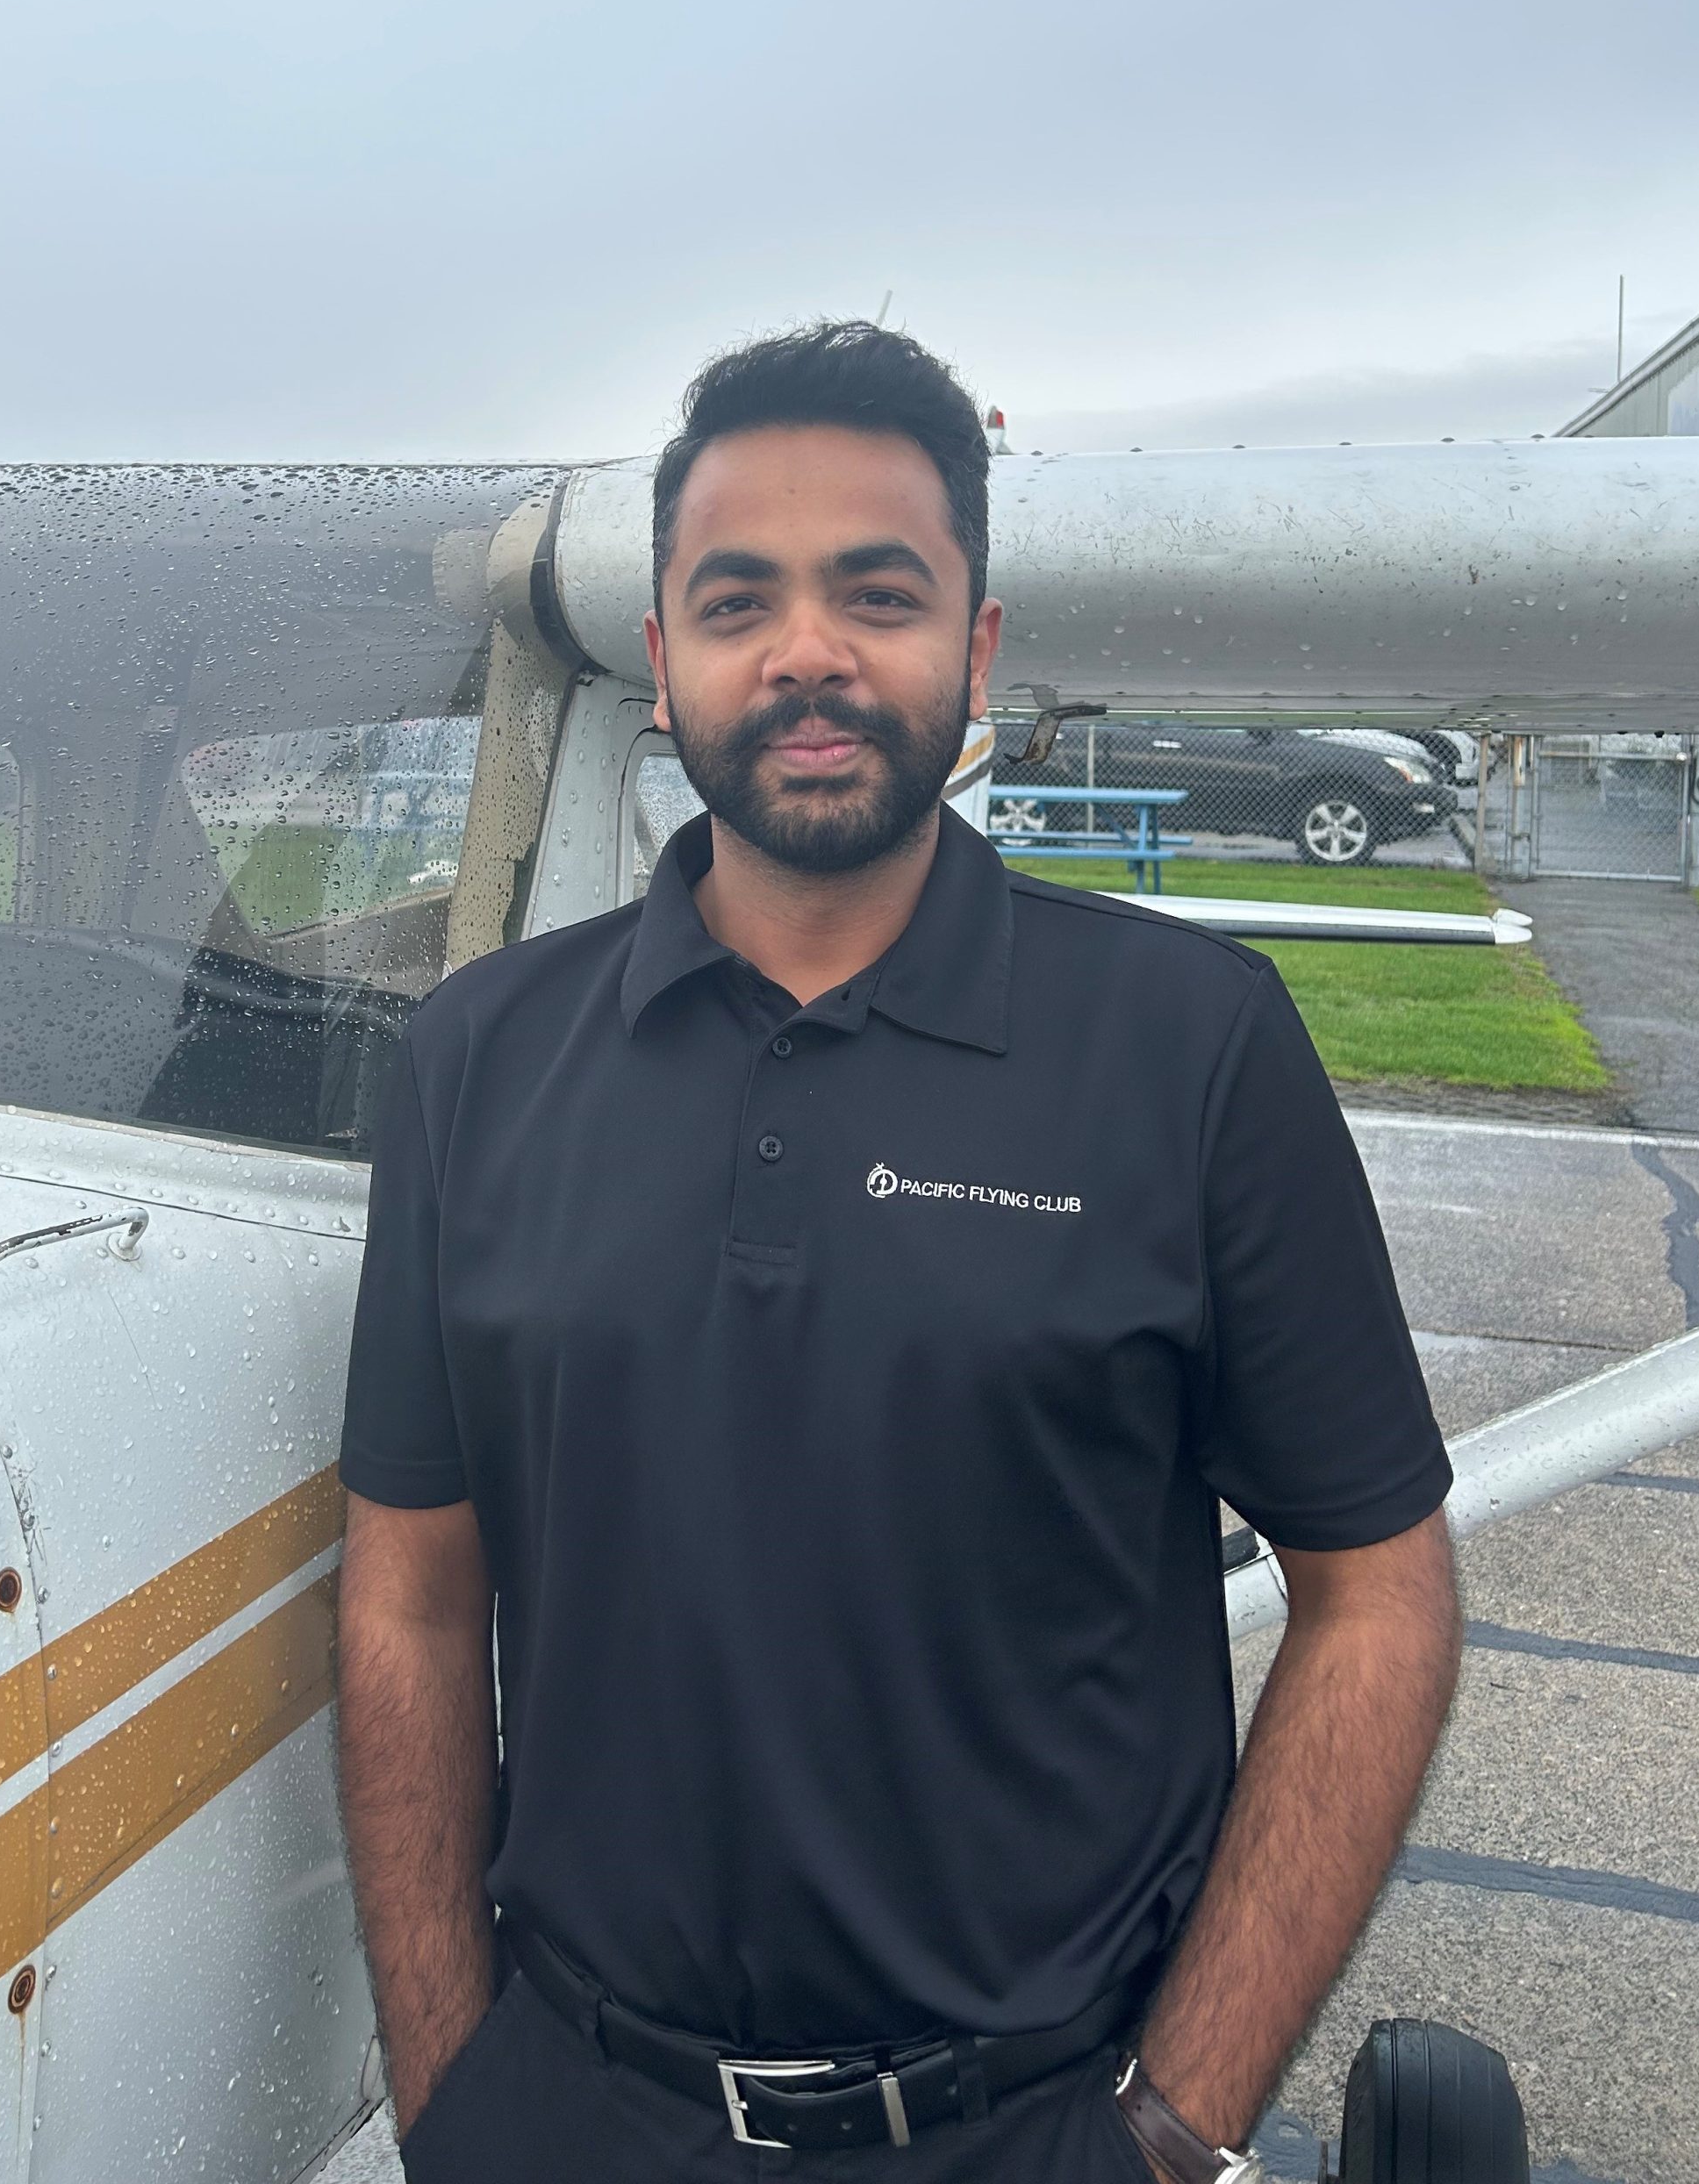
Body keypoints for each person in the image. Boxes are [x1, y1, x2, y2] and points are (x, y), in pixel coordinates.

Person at [336, 322, 1461, 2182]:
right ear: (663, 658)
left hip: (1028, 2126)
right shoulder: (480, 1057)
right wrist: (454, 2095)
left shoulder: (1190, 1046)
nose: (807, 652)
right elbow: (410, 1598)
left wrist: (1170, 2125)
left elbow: (1377, 1595)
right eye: (738, 600)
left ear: (976, 649)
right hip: (573, 2111)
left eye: (877, 593)